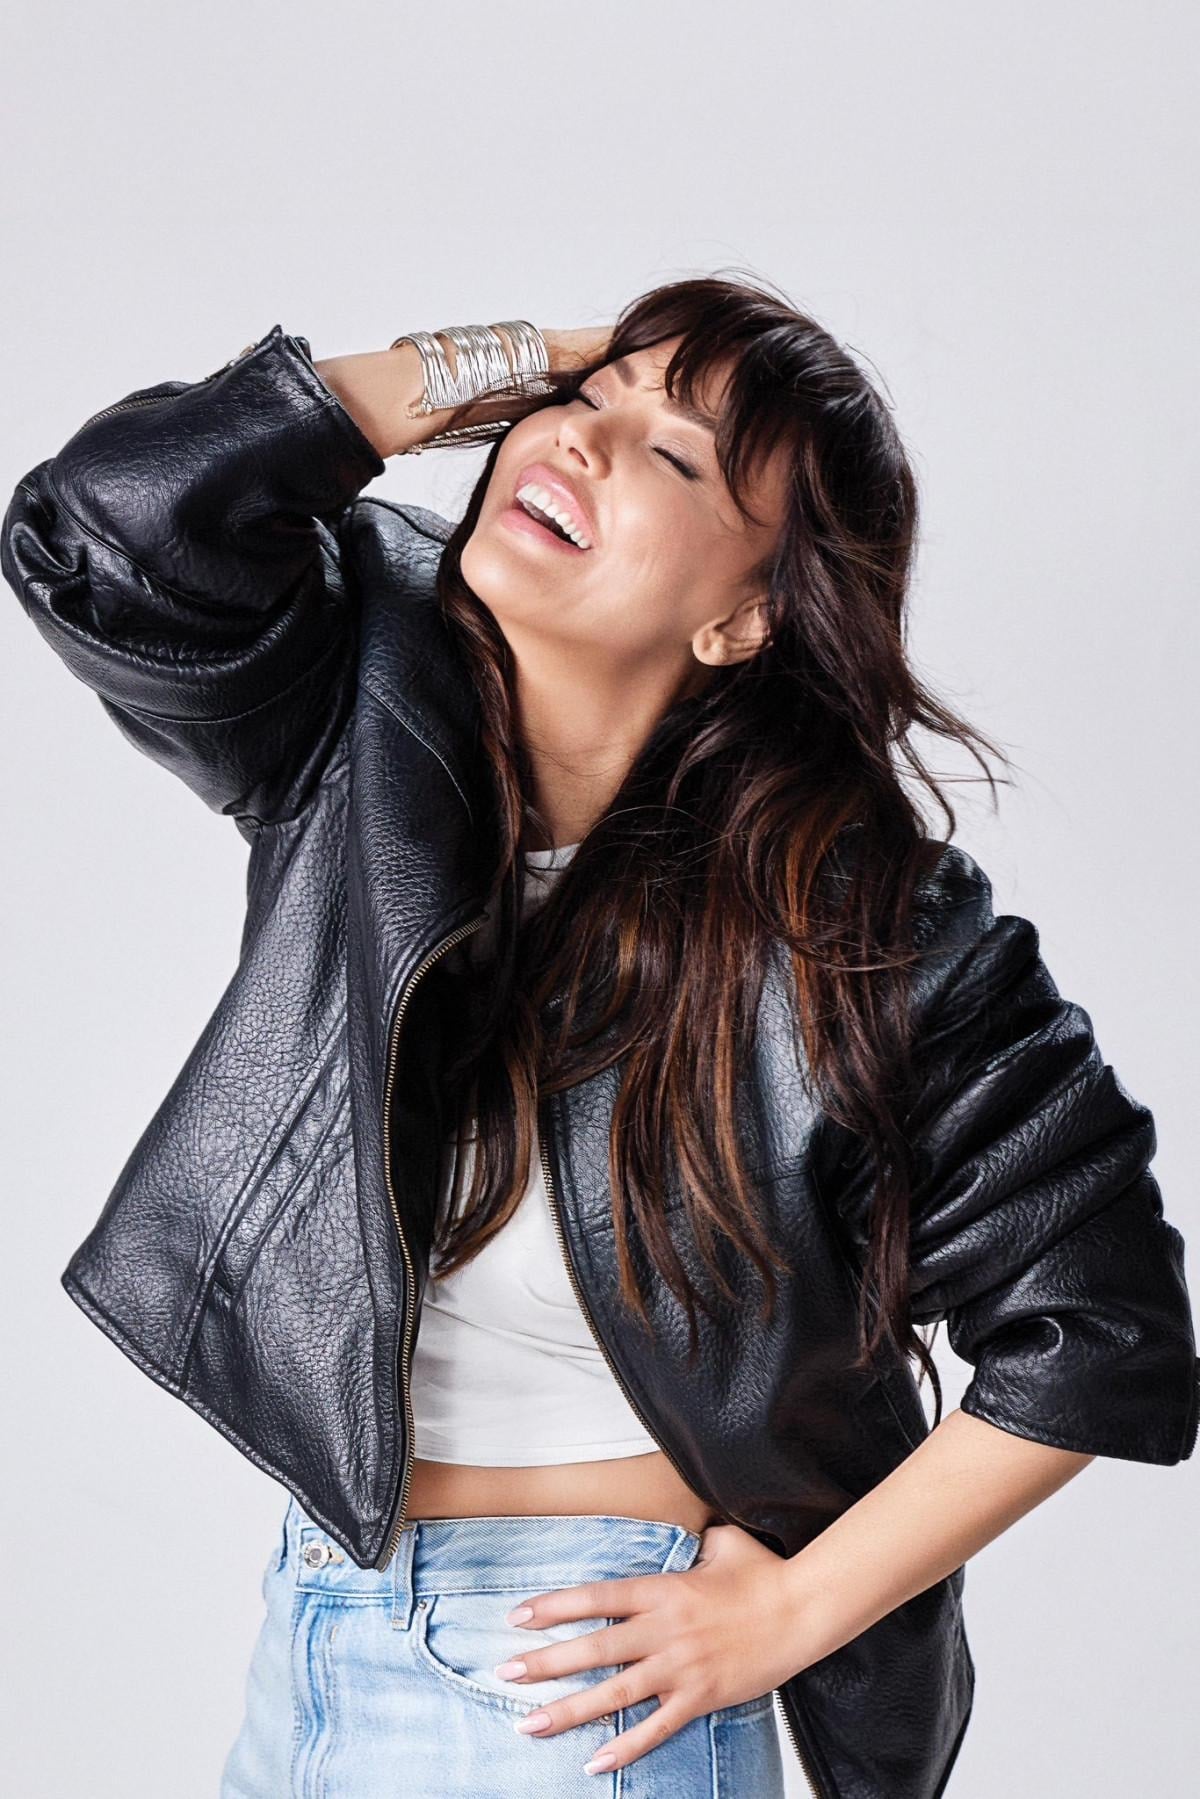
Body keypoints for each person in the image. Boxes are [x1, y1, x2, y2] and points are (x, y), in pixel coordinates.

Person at [3, 274, 1196, 1799]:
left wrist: (789, 1616)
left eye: (677, 455)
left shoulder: (858, 930)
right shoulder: (358, 719)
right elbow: (96, 529)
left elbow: (1099, 1326)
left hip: (576, 1688)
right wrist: (505, 361)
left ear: (745, 616)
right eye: (580, 406)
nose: (580, 441)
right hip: (312, 1636)